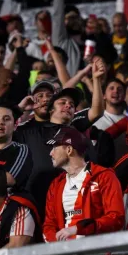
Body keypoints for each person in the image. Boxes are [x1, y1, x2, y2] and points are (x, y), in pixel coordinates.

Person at [16, 59, 105, 218]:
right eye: (62, 102)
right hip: (38, 199)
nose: (68, 106)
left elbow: (97, 111)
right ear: (50, 109)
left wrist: (96, 79)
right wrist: (19, 110)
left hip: (73, 199)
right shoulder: (28, 130)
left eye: (72, 104)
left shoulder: (75, 126)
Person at [43, 127, 125, 241]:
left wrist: (78, 228)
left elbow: (116, 218)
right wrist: (57, 247)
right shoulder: (56, 184)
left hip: (97, 253)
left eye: (55, 147)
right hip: (65, 254)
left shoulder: (104, 176)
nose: (51, 153)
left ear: (69, 150)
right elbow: (49, 225)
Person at [93, 79, 128, 160]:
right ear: (104, 95)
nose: (115, 91)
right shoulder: (95, 119)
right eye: (111, 88)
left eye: (119, 89)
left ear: (124, 96)